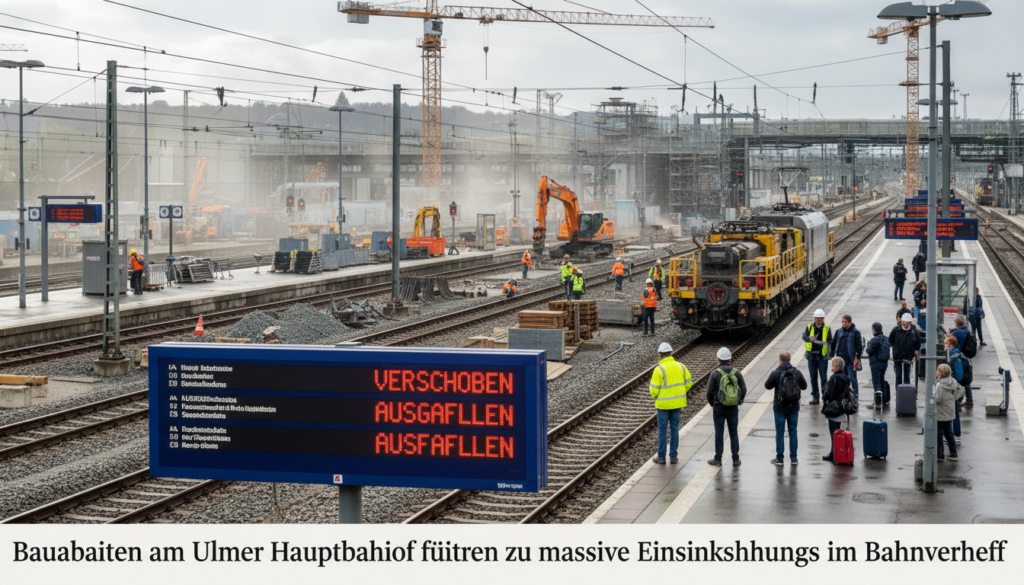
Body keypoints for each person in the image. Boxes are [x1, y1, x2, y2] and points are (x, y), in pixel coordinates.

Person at [649, 342, 692, 464]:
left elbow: (653, 390)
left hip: (663, 405)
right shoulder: (681, 366)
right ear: (670, 353)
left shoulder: (659, 369)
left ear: (660, 355)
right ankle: (673, 457)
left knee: (662, 429)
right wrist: (680, 392)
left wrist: (658, 396)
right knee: (674, 429)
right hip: (677, 404)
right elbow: (689, 383)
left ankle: (661, 457)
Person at [764, 351, 806, 465]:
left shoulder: (775, 373)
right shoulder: (797, 372)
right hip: (794, 407)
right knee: (793, 431)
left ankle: (780, 458)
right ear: (789, 360)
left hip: (780, 407)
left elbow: (767, 386)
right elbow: (804, 386)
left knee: (780, 432)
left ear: (780, 360)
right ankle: (794, 458)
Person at [707, 347, 747, 467]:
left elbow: (709, 392)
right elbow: (743, 389)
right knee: (733, 432)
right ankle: (736, 459)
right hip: (733, 408)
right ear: (730, 359)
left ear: (718, 359)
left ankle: (718, 459)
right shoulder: (736, 372)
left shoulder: (715, 373)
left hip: (719, 408)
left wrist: (713, 404)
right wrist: (738, 401)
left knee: (719, 433)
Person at [821, 357, 852, 463]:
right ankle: (836, 453)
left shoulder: (834, 378)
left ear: (836, 366)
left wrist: (824, 397)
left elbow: (828, 394)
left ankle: (834, 454)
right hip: (842, 407)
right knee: (839, 431)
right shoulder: (845, 377)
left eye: (832, 364)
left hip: (833, 408)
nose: (831, 366)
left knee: (833, 432)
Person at [802, 308, 833, 405]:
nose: (819, 320)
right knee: (813, 377)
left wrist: (829, 355)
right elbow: (804, 337)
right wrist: (810, 339)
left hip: (822, 356)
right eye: (817, 318)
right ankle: (815, 397)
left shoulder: (827, 328)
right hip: (811, 356)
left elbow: (830, 341)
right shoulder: (809, 327)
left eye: (820, 318)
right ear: (814, 318)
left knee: (823, 378)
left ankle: (824, 397)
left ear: (823, 319)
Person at [830, 314, 863, 402]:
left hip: (851, 360)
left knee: (853, 378)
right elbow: (834, 343)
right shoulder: (838, 331)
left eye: (845, 322)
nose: (843, 324)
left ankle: (855, 395)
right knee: (842, 379)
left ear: (850, 323)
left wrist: (857, 357)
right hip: (840, 360)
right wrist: (832, 356)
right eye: (842, 322)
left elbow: (859, 346)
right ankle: (844, 395)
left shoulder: (856, 332)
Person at [934, 363, 963, 462]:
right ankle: (953, 453)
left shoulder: (939, 385)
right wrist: (953, 398)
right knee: (949, 433)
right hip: (950, 411)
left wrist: (932, 399)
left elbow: (937, 399)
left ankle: (940, 454)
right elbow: (961, 390)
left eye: (938, 370)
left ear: (941, 373)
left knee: (939, 433)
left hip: (940, 411)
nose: (936, 372)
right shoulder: (953, 381)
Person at [945, 336, 968, 446]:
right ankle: (954, 435)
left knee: (953, 414)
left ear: (950, 345)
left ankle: (955, 436)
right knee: (953, 413)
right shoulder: (959, 354)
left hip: (952, 389)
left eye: (946, 344)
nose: (945, 346)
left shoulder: (952, 356)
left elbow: (958, 375)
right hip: (955, 388)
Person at [889, 313, 919, 386]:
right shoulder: (896, 330)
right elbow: (890, 340)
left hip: (908, 356)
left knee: (907, 376)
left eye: (906, 322)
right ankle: (898, 390)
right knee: (898, 376)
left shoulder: (914, 331)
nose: (904, 323)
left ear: (910, 323)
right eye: (903, 322)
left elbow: (918, 342)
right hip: (897, 356)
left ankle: (906, 390)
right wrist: (894, 349)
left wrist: (916, 350)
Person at [865, 322, 890, 407]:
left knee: (876, 383)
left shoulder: (875, 339)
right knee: (882, 381)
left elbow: (868, 350)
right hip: (884, 364)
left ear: (874, 329)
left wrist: (868, 344)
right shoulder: (886, 338)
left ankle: (877, 402)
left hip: (875, 364)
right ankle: (883, 400)